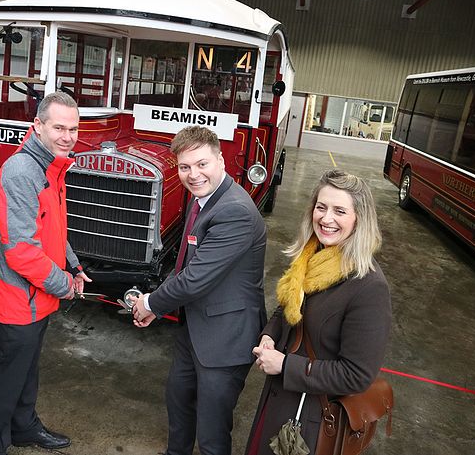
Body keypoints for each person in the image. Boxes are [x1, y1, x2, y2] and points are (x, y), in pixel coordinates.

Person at [132, 125, 267, 455]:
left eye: (202, 164)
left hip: (225, 338)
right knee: (179, 409)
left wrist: (151, 303)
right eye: (185, 167)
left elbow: (195, 279)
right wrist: (161, 304)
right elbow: (183, 268)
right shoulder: (203, 200)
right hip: (194, 329)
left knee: (212, 435)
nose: (193, 175)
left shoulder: (233, 211)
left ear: (221, 160)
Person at [0, 92, 91, 455]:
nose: (67, 136)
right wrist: (65, 287)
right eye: (59, 127)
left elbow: (53, 228)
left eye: (73, 129)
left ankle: (23, 427)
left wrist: (73, 265)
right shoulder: (23, 172)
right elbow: (21, 252)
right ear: (37, 126)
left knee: (26, 372)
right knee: (5, 379)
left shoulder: (52, 167)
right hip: (14, 301)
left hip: (35, 299)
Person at [245, 169, 392, 455]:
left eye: (340, 211)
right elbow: (288, 305)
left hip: (308, 422)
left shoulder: (369, 287)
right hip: (278, 401)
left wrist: (285, 365)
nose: (326, 218)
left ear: (358, 219)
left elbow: (356, 375)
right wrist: (269, 336)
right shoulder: (311, 255)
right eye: (321, 207)